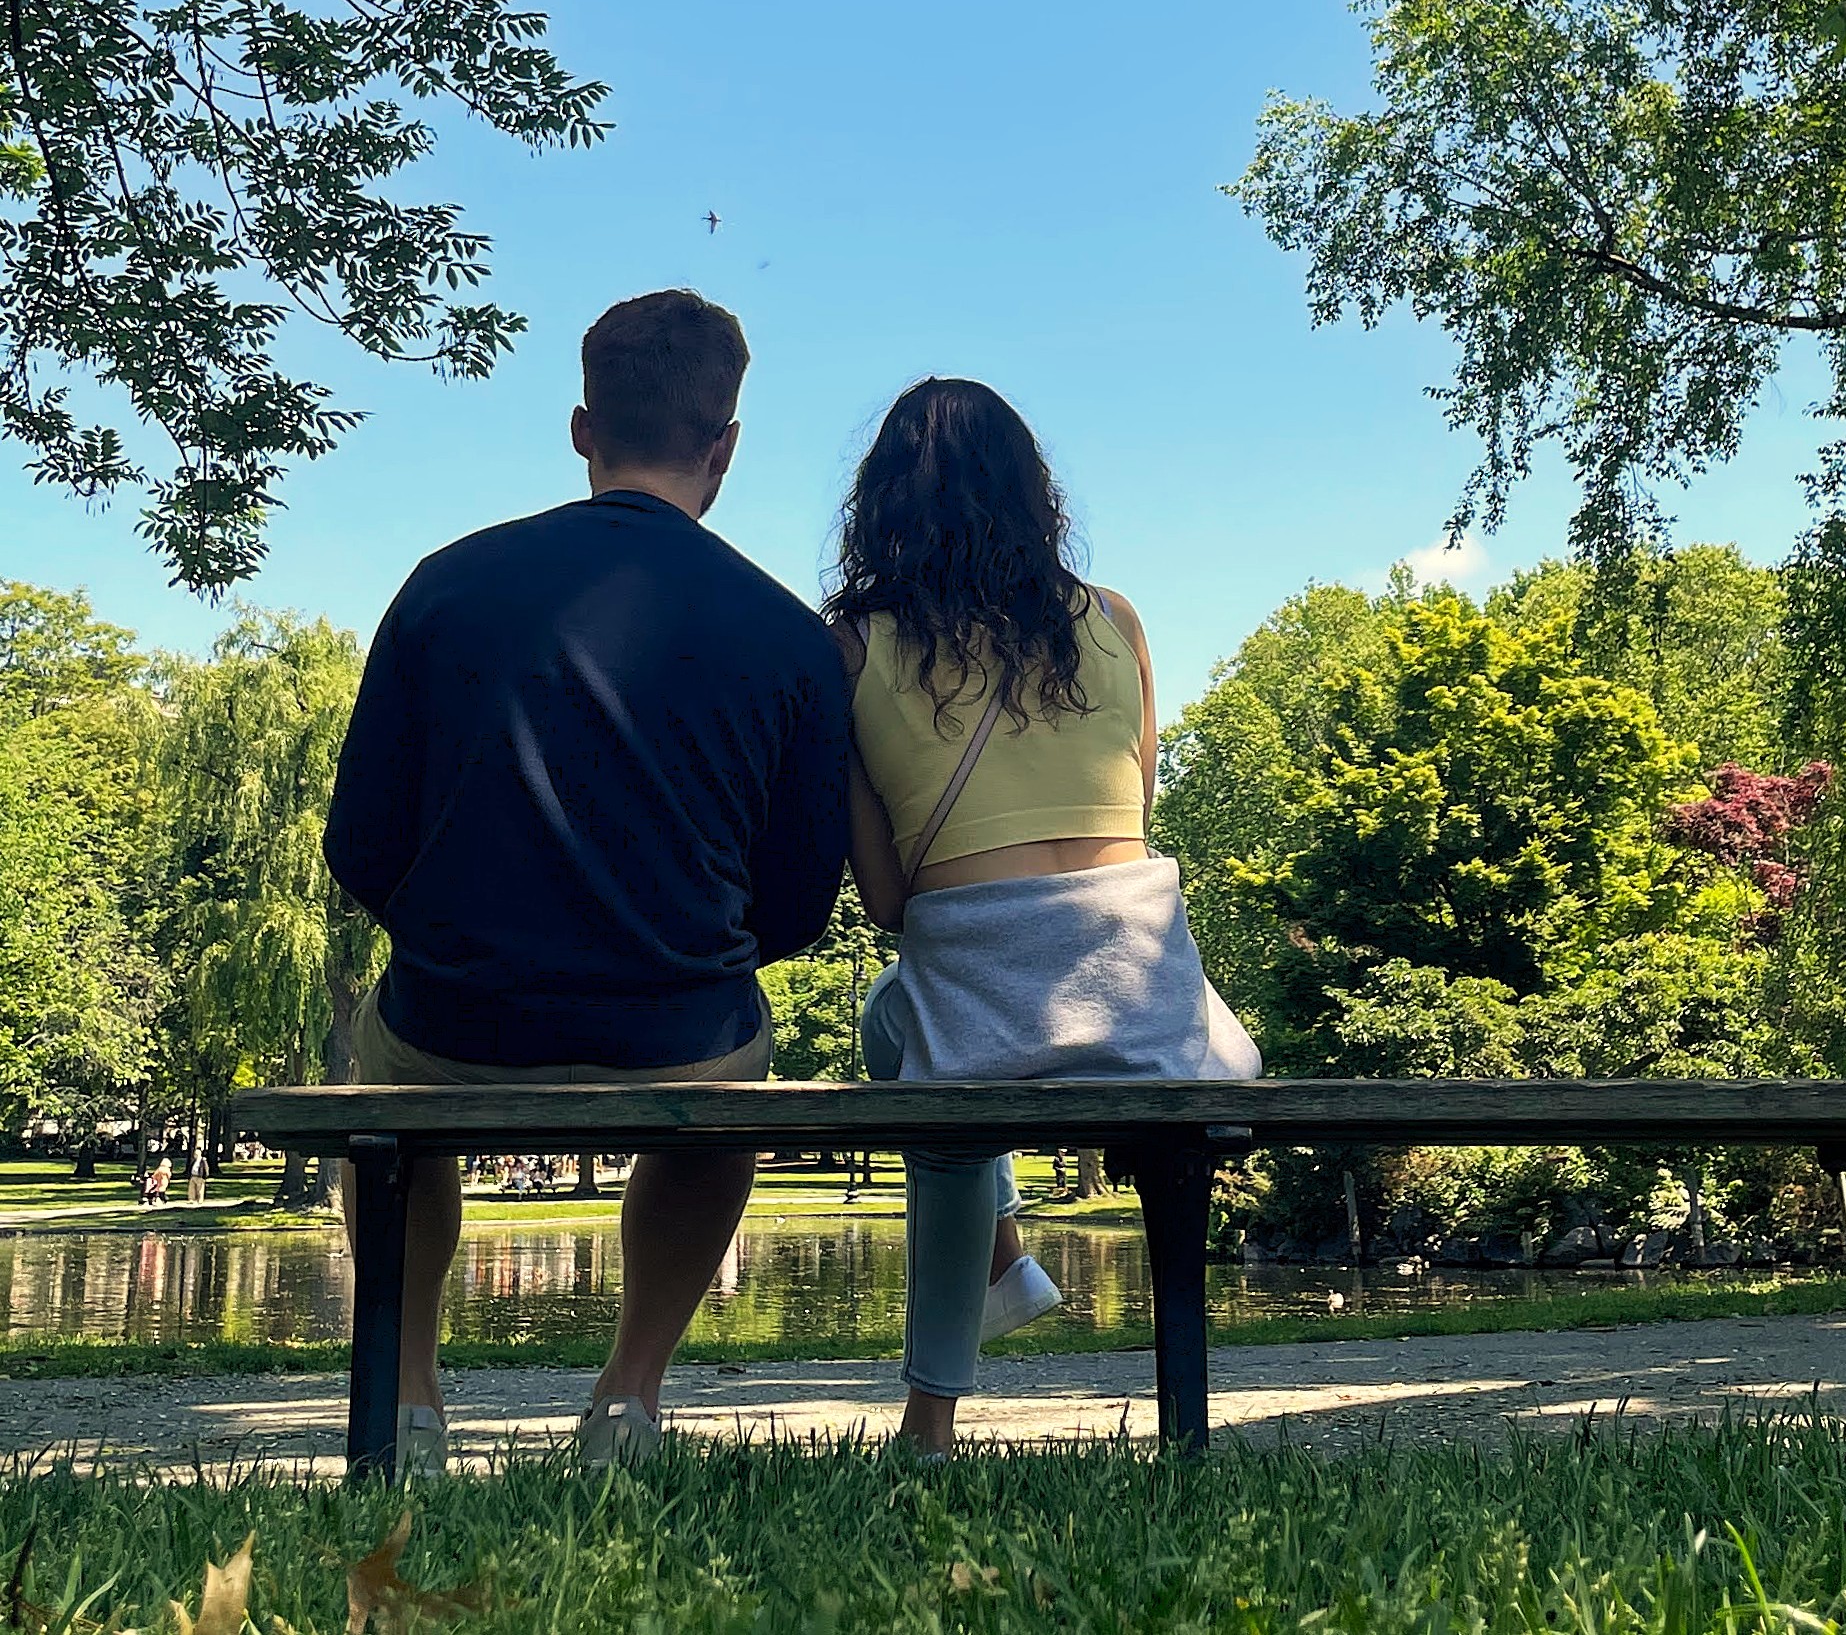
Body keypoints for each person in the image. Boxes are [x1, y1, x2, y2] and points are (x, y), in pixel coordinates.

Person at [324, 290, 848, 1476]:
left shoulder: (443, 586)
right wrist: (677, 950)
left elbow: (359, 841)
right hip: (680, 1023)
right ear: (725, 445)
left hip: (457, 1018)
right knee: (736, 1060)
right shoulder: (791, 634)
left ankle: (407, 1397)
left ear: (580, 427)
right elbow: (803, 900)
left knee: (385, 1062)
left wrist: (468, 934)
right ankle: (627, 1400)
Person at [826, 376, 1260, 1457]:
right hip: (1148, 1006)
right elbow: (1133, 819)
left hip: (975, 1013)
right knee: (934, 1032)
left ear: (880, 502)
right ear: (1034, 494)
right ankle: (1051, 1306)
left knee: (904, 1030)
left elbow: (886, 901)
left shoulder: (851, 643)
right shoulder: (1115, 621)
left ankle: (935, 1413)